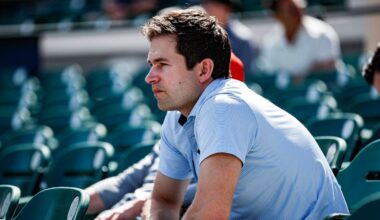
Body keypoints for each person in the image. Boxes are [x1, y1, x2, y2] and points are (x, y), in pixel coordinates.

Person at [142, 8, 348, 219]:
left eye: (162, 64)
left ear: (204, 70)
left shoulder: (224, 106)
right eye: (151, 65)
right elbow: (163, 200)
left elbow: (209, 214)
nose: (150, 77)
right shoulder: (177, 115)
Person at [84, 51, 244, 220]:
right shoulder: (173, 133)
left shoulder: (234, 143)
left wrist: (146, 201)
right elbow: (124, 183)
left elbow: (216, 192)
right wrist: (74, 200)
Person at [259, 0, 340, 80]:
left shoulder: (323, 33)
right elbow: (272, 76)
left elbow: (328, 73)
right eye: (291, 10)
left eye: (301, 9)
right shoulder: (269, 42)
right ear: (277, 16)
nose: (299, 13)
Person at [201, 0, 258, 75]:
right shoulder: (199, 34)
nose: (209, 8)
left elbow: (247, 75)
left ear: (227, 9)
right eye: (207, 4)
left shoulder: (242, 39)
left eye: (215, 5)